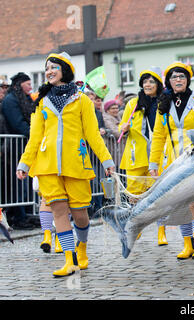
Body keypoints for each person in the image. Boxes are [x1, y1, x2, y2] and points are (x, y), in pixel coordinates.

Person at [16, 52, 115, 277]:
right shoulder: (41, 101)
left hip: (76, 164)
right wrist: (24, 164)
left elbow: (93, 135)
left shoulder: (81, 100)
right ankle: (69, 260)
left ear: (65, 70)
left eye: (54, 67)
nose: (49, 71)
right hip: (48, 165)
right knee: (59, 210)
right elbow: (35, 137)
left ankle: (82, 248)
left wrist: (106, 160)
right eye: (47, 67)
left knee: (80, 214)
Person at [148, 62, 194, 262]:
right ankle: (187, 244)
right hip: (172, 161)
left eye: (182, 77)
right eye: (174, 77)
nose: (178, 80)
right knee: (179, 205)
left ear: (188, 79)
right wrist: (153, 163)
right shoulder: (163, 104)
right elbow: (158, 136)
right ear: (168, 81)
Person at [118, 68, 168, 245]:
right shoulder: (133, 104)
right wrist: (123, 128)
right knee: (135, 195)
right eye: (145, 82)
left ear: (158, 84)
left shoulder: (164, 101)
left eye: (151, 81)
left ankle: (161, 230)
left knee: (160, 193)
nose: (147, 84)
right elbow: (122, 126)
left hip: (157, 153)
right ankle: (136, 226)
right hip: (136, 154)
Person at [1, 72, 35, 230]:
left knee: (26, 182)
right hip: (13, 148)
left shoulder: (24, 99)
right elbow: (17, 122)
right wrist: (35, 134)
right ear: (20, 84)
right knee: (17, 183)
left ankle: (27, 213)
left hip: (23, 145)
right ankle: (19, 215)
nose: (31, 87)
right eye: (28, 84)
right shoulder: (11, 100)